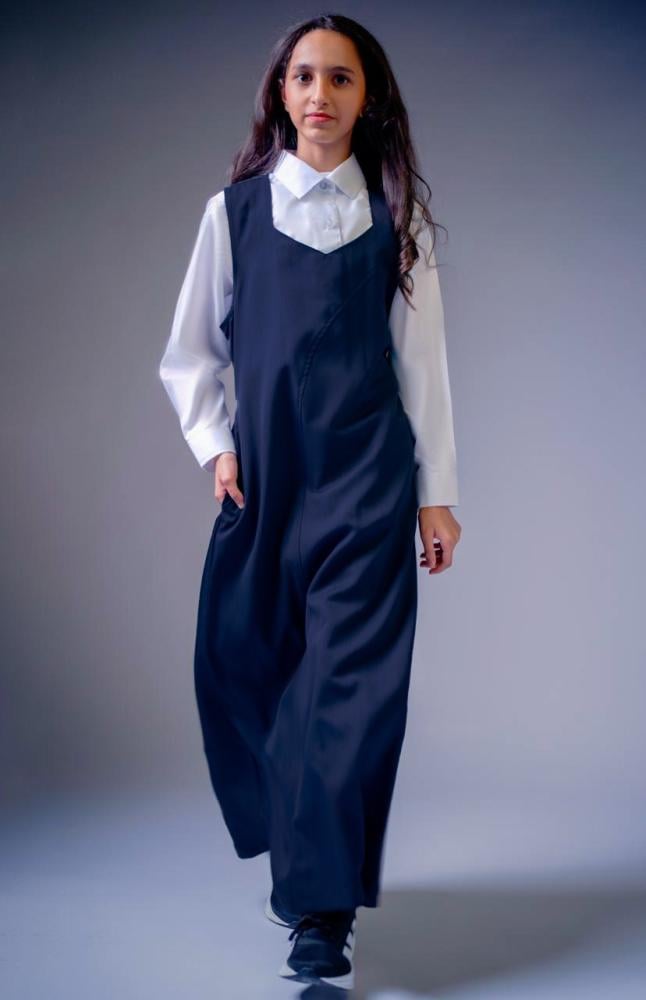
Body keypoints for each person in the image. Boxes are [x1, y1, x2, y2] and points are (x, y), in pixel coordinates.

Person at [159, 12, 462, 991]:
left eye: (340, 77)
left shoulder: (396, 219)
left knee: (347, 697)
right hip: (269, 484)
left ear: (367, 99)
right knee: (251, 678)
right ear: (281, 94)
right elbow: (190, 354)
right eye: (303, 76)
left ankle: (321, 920)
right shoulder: (234, 214)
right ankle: (301, 860)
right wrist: (216, 446)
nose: (320, 94)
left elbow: (424, 367)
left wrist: (436, 495)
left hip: (369, 483)